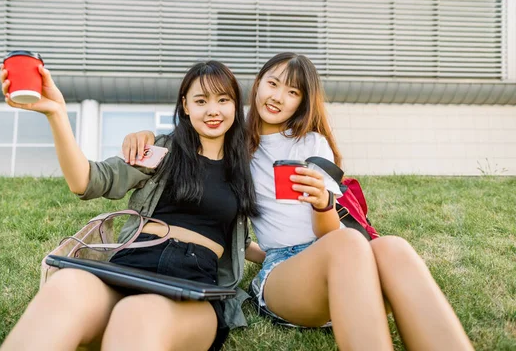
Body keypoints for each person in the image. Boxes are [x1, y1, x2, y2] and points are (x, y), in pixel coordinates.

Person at [122, 52, 474, 350]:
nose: (277, 97)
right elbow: (191, 140)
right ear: (257, 84)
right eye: (272, 83)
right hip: (285, 273)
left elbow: (328, 233)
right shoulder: (234, 142)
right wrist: (147, 135)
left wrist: (322, 204)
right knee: (349, 243)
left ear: (302, 102)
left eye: (291, 92)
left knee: (394, 248)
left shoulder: (313, 144)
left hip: (338, 257)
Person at [0, 60, 259, 350]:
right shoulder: (161, 152)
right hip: (131, 265)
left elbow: (240, 243)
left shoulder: (244, 170)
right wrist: (57, 113)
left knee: (137, 314)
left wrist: (279, 259)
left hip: (193, 285)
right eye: (201, 100)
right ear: (185, 106)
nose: (213, 110)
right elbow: (87, 181)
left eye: (223, 100)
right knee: (65, 286)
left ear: (236, 105)